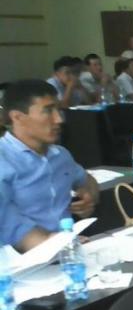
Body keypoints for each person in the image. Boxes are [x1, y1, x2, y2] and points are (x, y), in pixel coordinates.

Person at [0, 80, 99, 252]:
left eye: (58, 110)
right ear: (17, 117)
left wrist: (89, 197)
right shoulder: (4, 160)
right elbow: (8, 224)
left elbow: (86, 180)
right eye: (47, 111)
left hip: (68, 248)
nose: (59, 119)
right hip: (23, 259)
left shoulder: (60, 155)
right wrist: (52, 243)